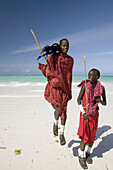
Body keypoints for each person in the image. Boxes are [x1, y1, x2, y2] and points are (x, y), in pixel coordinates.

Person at [38, 39, 74, 145]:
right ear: (60, 46)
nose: (65, 48)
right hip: (55, 88)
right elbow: (48, 72)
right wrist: (52, 76)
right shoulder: (52, 57)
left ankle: (62, 133)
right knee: (58, 108)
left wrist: (67, 87)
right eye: (63, 46)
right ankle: (55, 123)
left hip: (65, 88)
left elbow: (68, 76)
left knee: (64, 111)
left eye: (67, 46)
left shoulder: (70, 60)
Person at [77, 68, 107, 169]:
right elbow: (78, 99)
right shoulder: (85, 85)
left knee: (91, 136)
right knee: (84, 136)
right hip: (85, 114)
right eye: (89, 75)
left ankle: (88, 153)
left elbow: (105, 103)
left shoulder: (101, 88)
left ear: (97, 77)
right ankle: (81, 156)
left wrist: (100, 100)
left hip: (94, 115)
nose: (89, 77)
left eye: (92, 75)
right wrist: (83, 112)